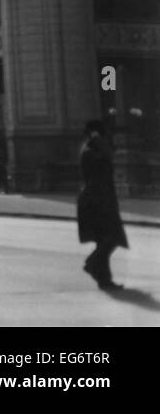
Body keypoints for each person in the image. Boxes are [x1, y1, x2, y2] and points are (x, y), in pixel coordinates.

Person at [78, 120, 127, 290]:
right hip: (98, 200)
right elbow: (108, 156)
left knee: (103, 240)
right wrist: (97, 139)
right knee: (112, 238)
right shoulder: (92, 150)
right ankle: (92, 263)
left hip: (96, 199)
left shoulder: (90, 148)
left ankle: (104, 280)